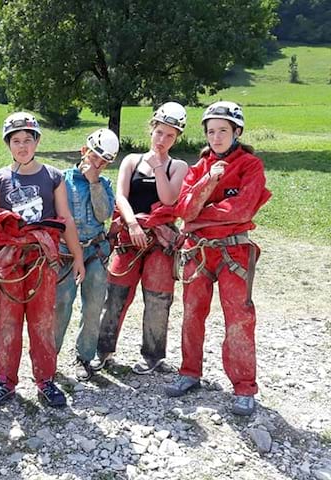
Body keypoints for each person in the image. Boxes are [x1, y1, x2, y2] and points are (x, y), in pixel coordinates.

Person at [165, 101, 271, 416]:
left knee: (238, 317)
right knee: (192, 313)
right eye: (211, 131)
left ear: (237, 131)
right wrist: (209, 181)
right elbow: (183, 210)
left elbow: (242, 209)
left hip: (233, 251)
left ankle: (244, 387)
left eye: (223, 130)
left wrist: (199, 217)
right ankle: (189, 373)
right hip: (199, 251)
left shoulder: (250, 165)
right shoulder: (199, 168)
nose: (216, 137)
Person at [0, 112, 85, 408]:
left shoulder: (53, 177)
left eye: (27, 140)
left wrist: (77, 256)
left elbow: (65, 219)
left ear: (37, 141)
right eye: (16, 141)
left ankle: (45, 380)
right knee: (9, 322)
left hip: (42, 260)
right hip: (9, 260)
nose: (22, 146)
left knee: (42, 321)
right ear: (8, 144)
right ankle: (5, 381)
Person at [92, 102, 189, 375]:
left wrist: (159, 166)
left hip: (161, 240)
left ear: (176, 138)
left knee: (158, 297)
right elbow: (121, 196)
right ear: (151, 130)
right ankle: (103, 350)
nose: (163, 140)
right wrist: (132, 224)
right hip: (129, 235)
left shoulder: (178, 166)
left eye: (170, 136)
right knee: (115, 294)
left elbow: (170, 198)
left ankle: (153, 355)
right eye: (159, 133)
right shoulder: (132, 160)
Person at [54, 129, 118, 381]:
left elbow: (104, 215)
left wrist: (94, 183)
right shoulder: (61, 181)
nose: (98, 164)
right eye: (95, 157)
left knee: (93, 306)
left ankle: (85, 356)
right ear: (84, 152)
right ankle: (49, 357)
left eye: (104, 162)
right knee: (61, 304)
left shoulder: (104, 185)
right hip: (65, 253)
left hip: (94, 251)